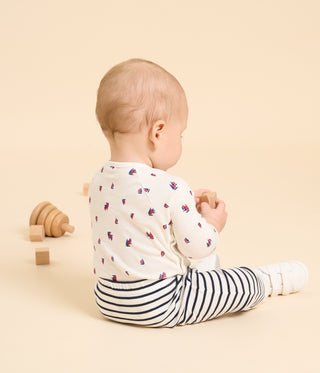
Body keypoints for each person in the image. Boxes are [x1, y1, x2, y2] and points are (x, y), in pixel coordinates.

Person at [88, 58, 308, 328]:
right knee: (235, 283)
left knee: (201, 272)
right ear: (158, 132)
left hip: (108, 300)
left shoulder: (99, 180)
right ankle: (268, 280)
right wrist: (212, 223)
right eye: (180, 134)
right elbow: (197, 247)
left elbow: (137, 223)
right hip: (162, 302)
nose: (180, 140)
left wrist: (182, 207)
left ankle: (203, 278)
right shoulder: (171, 186)